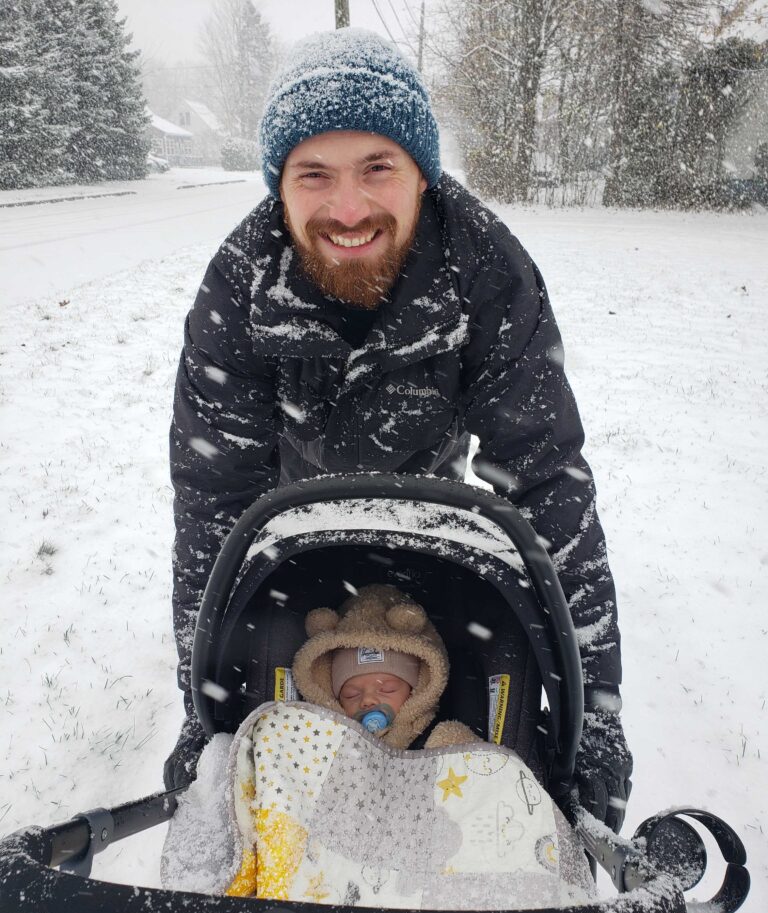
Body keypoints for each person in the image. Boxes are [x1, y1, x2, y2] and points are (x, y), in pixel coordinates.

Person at [164, 28, 632, 832]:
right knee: (281, 626)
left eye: (377, 168)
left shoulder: (486, 266)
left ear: (423, 173)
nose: (348, 209)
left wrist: (596, 712)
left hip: (429, 471)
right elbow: (213, 500)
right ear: (281, 188)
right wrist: (201, 697)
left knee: (458, 621)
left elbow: (548, 477)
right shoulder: (240, 283)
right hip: (291, 490)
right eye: (315, 175)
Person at [291, 584, 475, 749]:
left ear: (415, 692)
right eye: (351, 694)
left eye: (387, 689)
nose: (368, 700)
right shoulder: (319, 742)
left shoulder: (437, 743)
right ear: (335, 700)